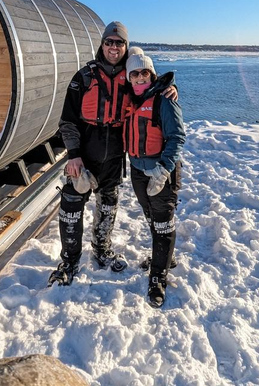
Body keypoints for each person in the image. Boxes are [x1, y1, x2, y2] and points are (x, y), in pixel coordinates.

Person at [49, 22, 175, 287]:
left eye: (120, 43)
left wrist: (171, 90)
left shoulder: (130, 79)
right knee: (71, 204)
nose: (114, 47)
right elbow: (67, 121)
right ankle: (70, 260)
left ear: (126, 47)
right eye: (110, 42)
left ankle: (101, 248)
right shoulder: (84, 77)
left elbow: (149, 87)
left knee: (108, 203)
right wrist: (73, 154)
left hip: (115, 152)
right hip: (85, 149)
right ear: (102, 44)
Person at [124, 51, 185, 307]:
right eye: (134, 73)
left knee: (162, 222)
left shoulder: (164, 100)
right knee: (150, 216)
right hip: (137, 169)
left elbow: (177, 137)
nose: (139, 77)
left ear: (152, 74)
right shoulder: (130, 100)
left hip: (161, 171)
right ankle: (165, 257)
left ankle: (158, 276)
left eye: (144, 73)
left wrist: (163, 170)